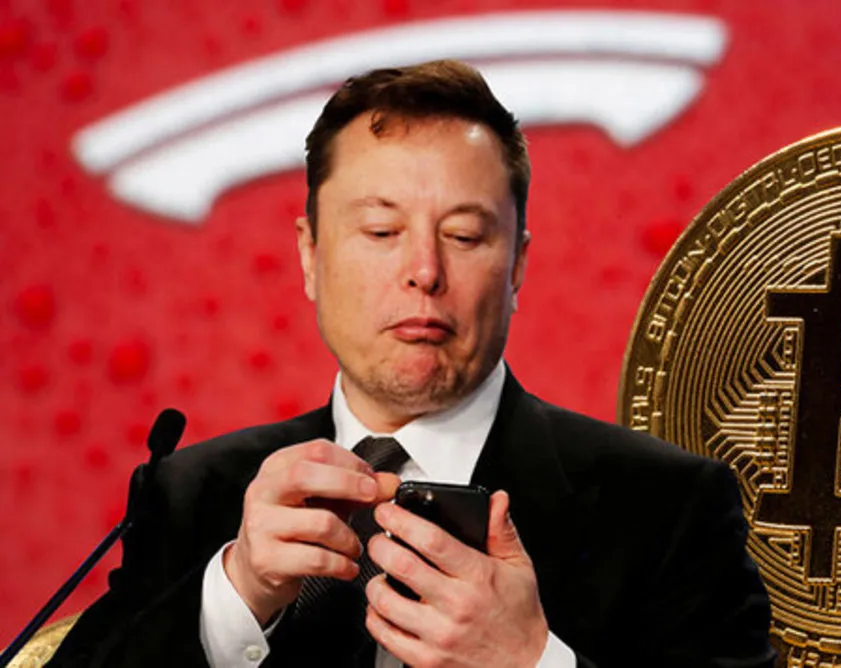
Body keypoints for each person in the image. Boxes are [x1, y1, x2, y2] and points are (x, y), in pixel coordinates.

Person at [48, 60, 775, 668]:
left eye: (464, 236)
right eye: (380, 230)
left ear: (518, 265)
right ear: (310, 256)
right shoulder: (193, 496)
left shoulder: (669, 508)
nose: (424, 271)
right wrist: (234, 597)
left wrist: (530, 661)